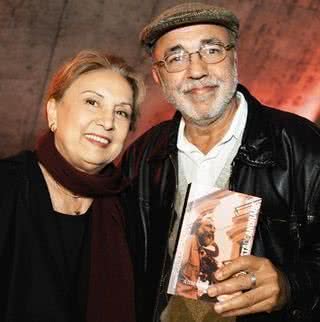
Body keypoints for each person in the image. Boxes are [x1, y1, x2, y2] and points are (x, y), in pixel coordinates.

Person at [121, 2, 320, 322]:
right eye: (176, 57)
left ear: (233, 58)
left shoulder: (304, 147)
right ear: (158, 76)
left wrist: (290, 285)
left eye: (211, 50)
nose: (197, 70)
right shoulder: (143, 155)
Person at [0, 49, 144, 322]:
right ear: (53, 111)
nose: (107, 122)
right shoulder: (7, 186)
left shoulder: (132, 207)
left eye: (122, 113)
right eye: (92, 102)